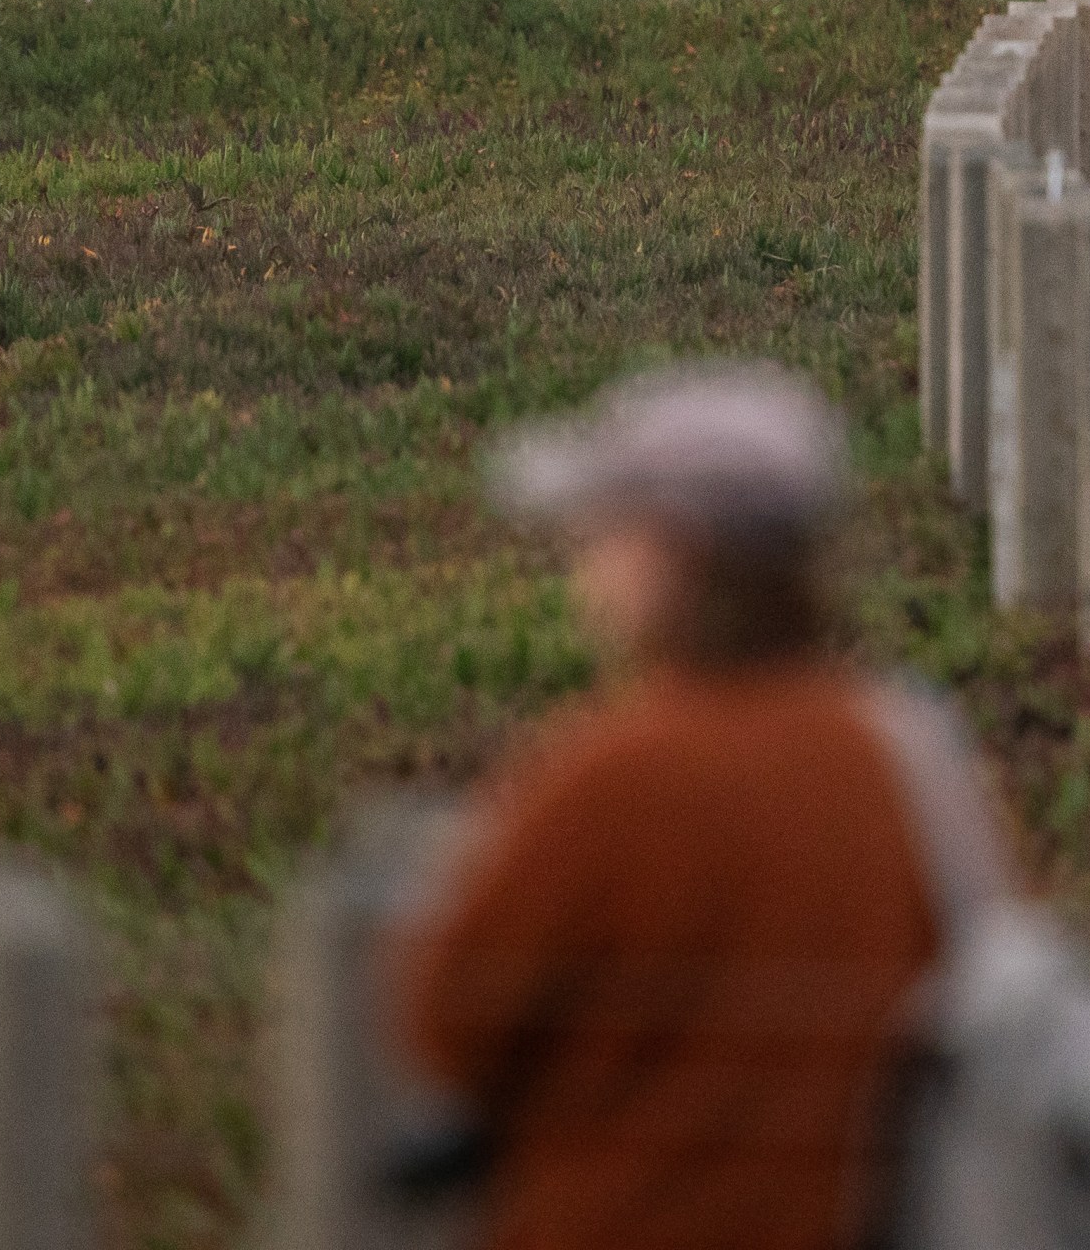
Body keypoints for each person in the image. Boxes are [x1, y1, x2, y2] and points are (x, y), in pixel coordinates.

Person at [399, 363, 966, 1250]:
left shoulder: (612, 776)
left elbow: (449, 1020)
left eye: (607, 532)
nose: (585, 562)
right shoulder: (900, 756)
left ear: (676, 556)